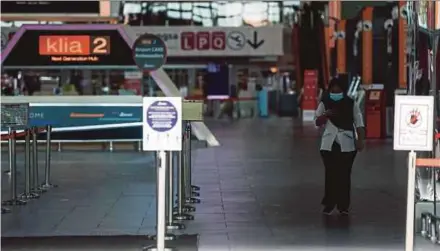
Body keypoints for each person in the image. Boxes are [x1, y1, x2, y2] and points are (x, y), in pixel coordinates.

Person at [315, 76, 365, 216]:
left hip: (347, 145)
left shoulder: (351, 103)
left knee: (344, 175)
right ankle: (329, 204)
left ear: (343, 91)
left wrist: (360, 140)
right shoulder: (324, 103)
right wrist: (325, 115)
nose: (335, 93)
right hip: (328, 145)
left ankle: (343, 205)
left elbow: (359, 122)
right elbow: (317, 121)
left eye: (338, 91)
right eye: (333, 91)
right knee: (330, 174)